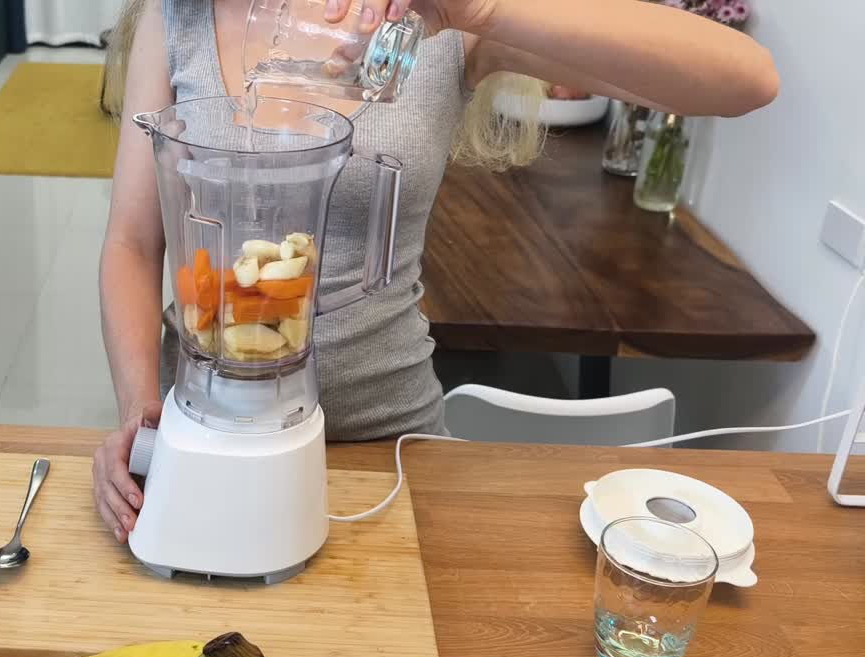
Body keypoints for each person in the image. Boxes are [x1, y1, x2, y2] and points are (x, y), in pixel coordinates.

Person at [92, 0, 779, 542]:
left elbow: (745, 80)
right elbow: (132, 241)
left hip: (394, 447)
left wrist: (480, 10)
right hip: (206, 434)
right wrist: (138, 408)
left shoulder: (449, 21)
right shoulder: (174, 14)